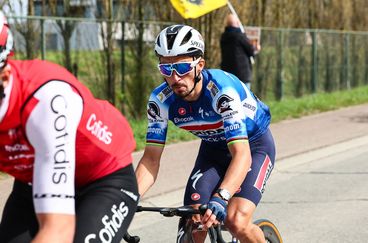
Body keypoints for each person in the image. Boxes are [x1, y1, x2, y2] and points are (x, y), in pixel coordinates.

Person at [0, 11, 138, 243]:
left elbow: (58, 230)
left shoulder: (46, 98)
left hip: (103, 177)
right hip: (35, 179)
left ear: (4, 73)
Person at [135, 24, 275, 243]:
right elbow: (151, 159)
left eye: (181, 68)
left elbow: (241, 154)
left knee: (235, 221)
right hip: (214, 150)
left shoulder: (221, 92)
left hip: (253, 145)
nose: (175, 78)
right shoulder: (160, 101)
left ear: (199, 65)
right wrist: (128, 198)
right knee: (194, 222)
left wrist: (222, 196)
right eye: (165, 69)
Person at [220, 14, 260, 89]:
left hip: (227, 74)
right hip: (242, 75)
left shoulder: (223, 37)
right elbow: (251, 51)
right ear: (237, 23)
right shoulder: (240, 36)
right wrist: (256, 48)